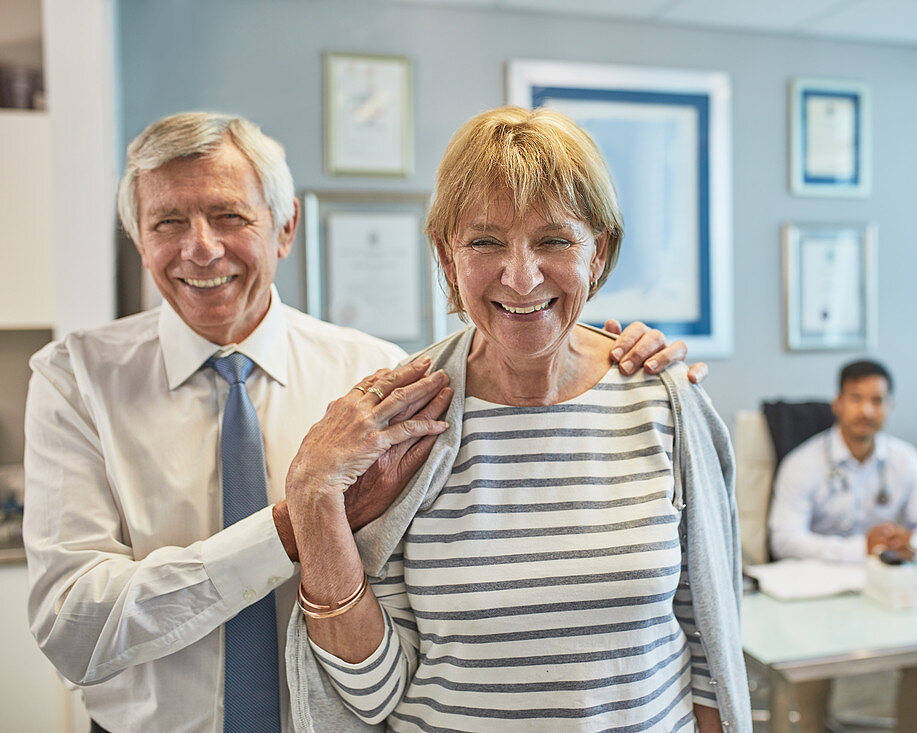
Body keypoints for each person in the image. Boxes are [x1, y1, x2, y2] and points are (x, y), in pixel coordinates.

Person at [22, 111, 698, 733]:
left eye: (229, 215)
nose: (200, 249)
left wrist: (646, 366)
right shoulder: (75, 379)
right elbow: (73, 627)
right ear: (139, 238)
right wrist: (298, 521)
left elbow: (701, 633)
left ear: (285, 227)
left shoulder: (380, 379)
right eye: (167, 221)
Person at [283, 106, 752, 732]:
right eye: (485, 241)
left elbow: (710, 655)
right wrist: (314, 497)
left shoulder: (665, 401)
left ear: (598, 250)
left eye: (554, 240)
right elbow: (371, 695)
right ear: (449, 259)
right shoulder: (409, 417)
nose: (522, 275)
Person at [767, 359, 917, 733]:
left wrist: (912, 543)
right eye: (856, 398)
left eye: (877, 400)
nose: (867, 410)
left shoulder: (904, 460)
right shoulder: (802, 464)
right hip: (821, 595)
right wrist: (861, 550)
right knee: (811, 663)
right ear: (837, 403)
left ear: (889, 407)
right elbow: (783, 539)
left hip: (885, 591)